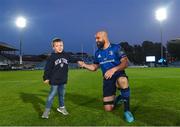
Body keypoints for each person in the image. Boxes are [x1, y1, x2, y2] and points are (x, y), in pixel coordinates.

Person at [78, 31, 134, 123]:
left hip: (118, 74)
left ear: (105, 37)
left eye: (98, 38)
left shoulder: (116, 48)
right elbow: (94, 67)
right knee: (108, 108)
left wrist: (114, 69)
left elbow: (125, 63)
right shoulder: (97, 53)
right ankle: (119, 97)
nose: (96, 40)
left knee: (122, 80)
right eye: (95, 39)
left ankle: (127, 111)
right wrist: (84, 65)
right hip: (107, 79)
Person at [42, 38, 80, 119]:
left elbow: (73, 59)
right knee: (51, 95)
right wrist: (46, 78)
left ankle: (61, 108)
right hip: (54, 80)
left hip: (63, 79)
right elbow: (47, 68)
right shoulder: (51, 57)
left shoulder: (66, 55)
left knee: (61, 95)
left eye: (61, 45)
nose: (59, 47)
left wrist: (79, 60)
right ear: (53, 47)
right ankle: (46, 111)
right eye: (57, 46)